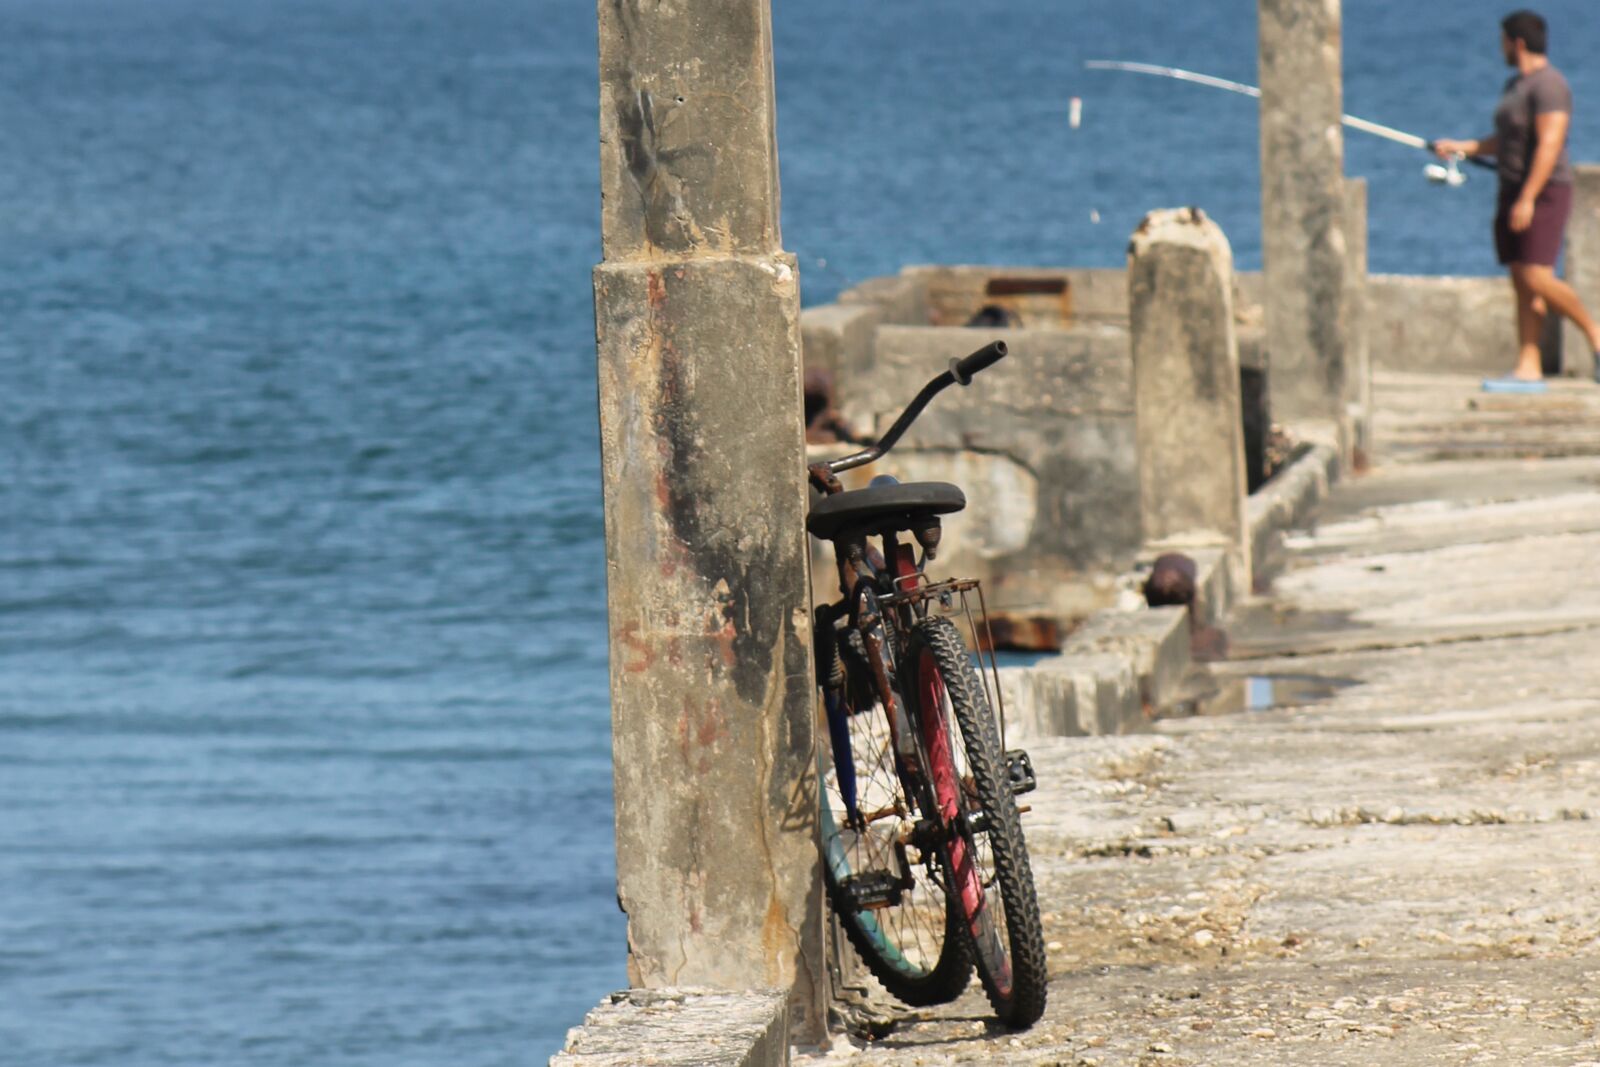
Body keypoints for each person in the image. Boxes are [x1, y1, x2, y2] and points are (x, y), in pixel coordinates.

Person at [1434, 10, 1600, 391]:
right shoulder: (1516, 86)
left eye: (1503, 41)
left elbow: (1550, 143)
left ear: (1517, 42)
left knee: (1536, 275)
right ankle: (1528, 366)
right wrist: (1461, 147)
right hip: (1512, 190)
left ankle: (1595, 334)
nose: (1501, 48)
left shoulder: (1550, 86)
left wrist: (1527, 197)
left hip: (1543, 193)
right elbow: (1504, 141)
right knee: (1521, 280)